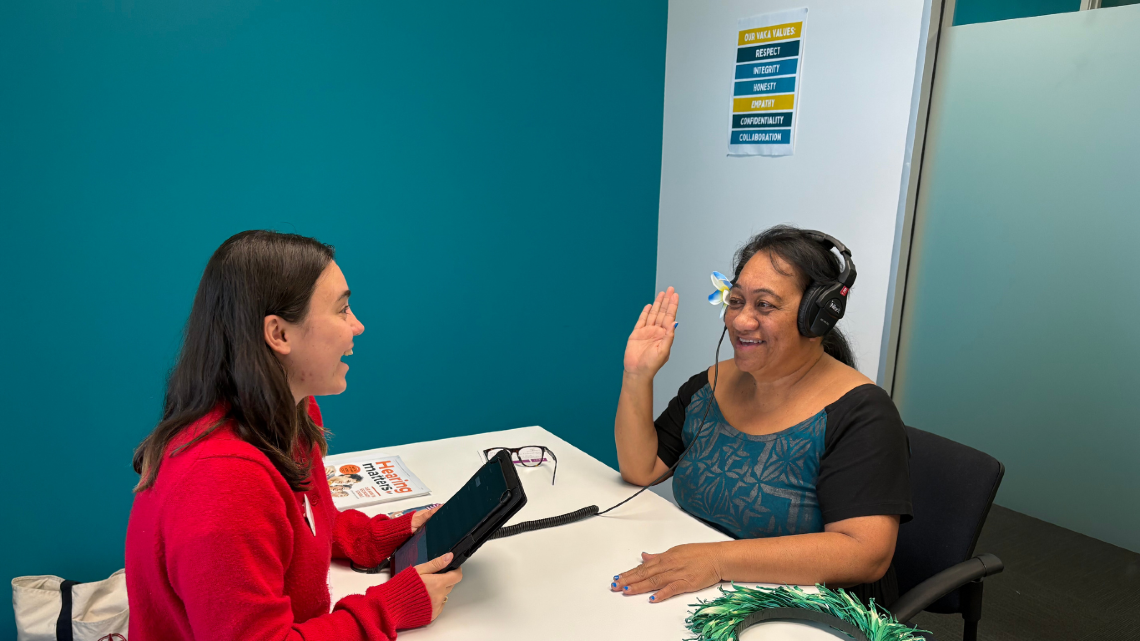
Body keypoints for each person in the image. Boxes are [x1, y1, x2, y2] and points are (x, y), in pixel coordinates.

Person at [126, 230, 461, 640]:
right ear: (279, 334)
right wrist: (387, 608)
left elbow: (302, 525)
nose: (357, 326)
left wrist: (386, 535)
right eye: (342, 310)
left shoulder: (291, 415)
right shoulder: (223, 485)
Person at [611, 225, 911, 606]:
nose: (740, 321)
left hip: (814, 614)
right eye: (735, 301)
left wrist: (717, 560)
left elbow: (866, 554)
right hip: (708, 592)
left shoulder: (862, 414)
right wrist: (637, 375)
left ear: (816, 317)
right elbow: (642, 469)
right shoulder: (712, 384)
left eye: (764, 305)